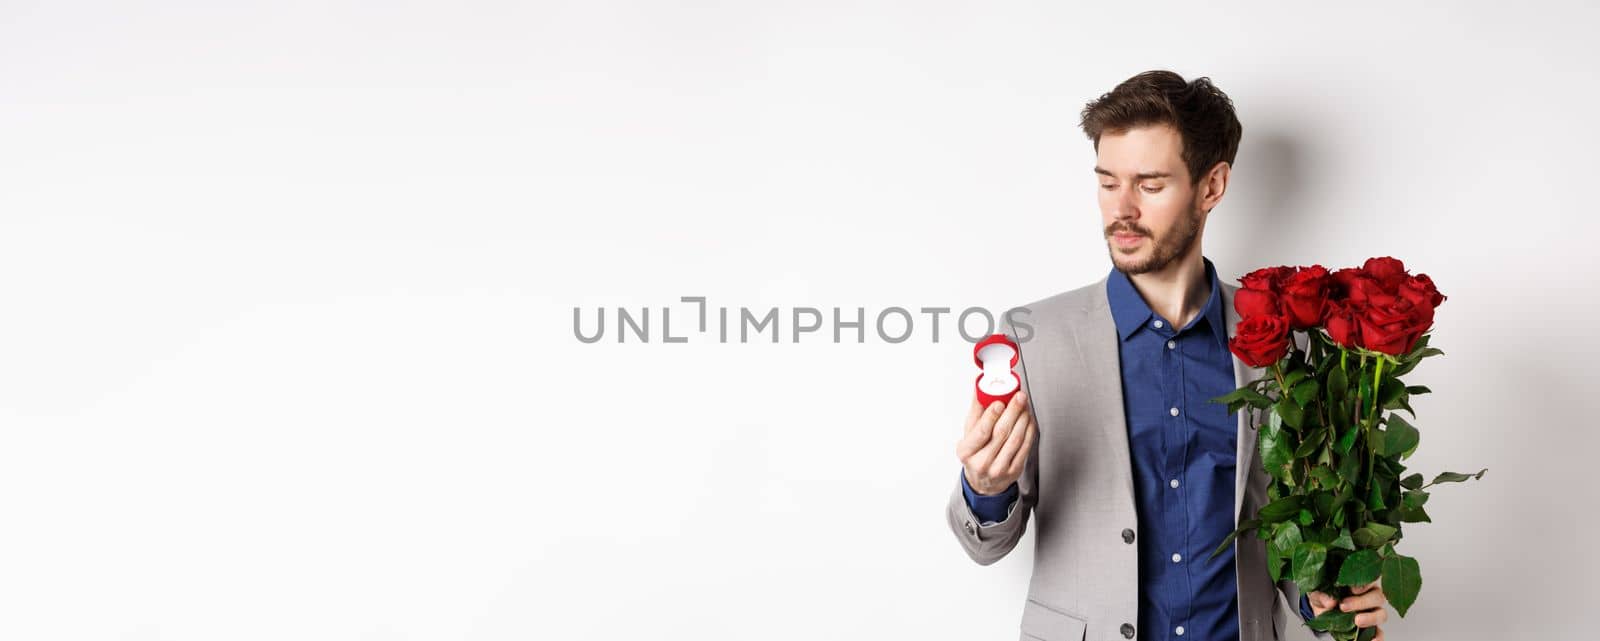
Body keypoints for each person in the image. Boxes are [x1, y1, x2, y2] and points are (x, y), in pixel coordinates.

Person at [946, 70, 1392, 641]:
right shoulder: (1033, 338)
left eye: (1150, 185)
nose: (1122, 210)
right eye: (1108, 183)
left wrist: (1327, 600)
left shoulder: (1282, 342)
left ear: (1211, 186)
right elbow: (984, 544)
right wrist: (986, 487)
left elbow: (1287, 534)